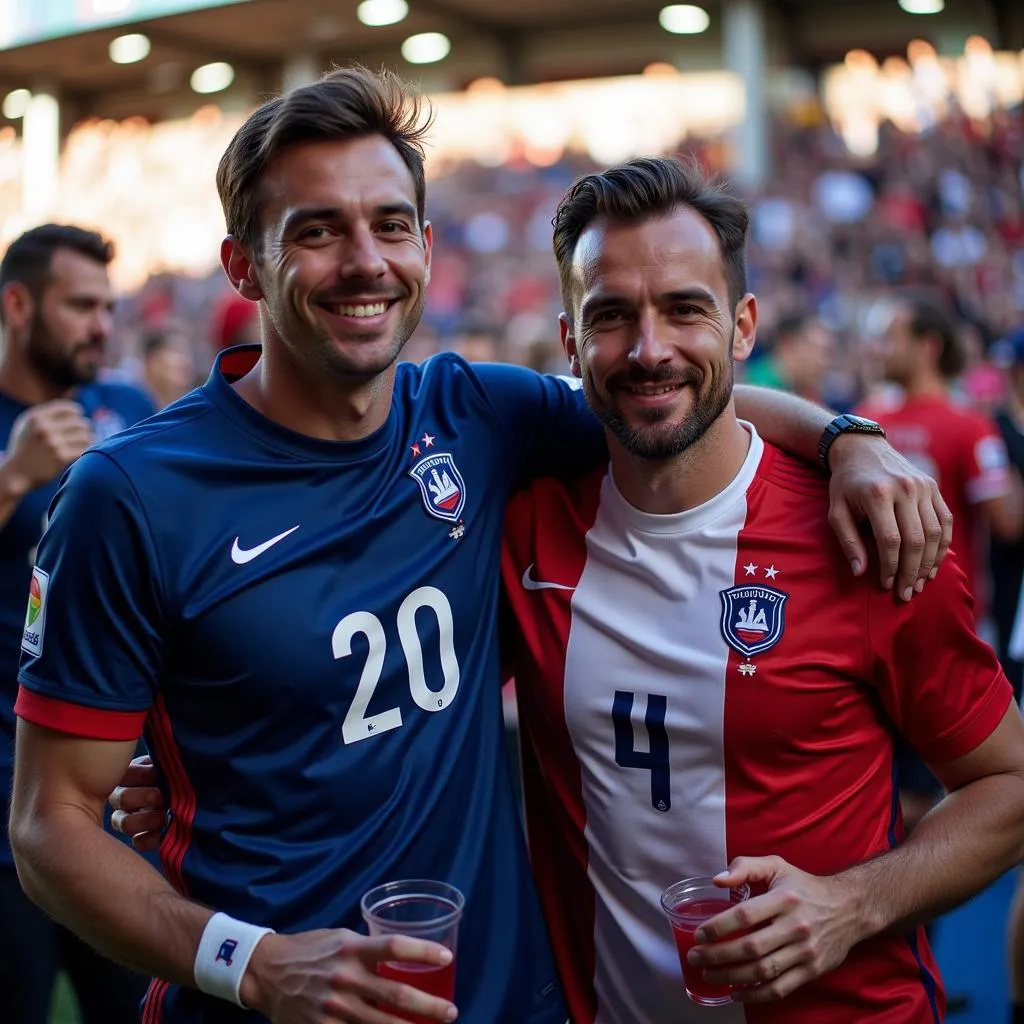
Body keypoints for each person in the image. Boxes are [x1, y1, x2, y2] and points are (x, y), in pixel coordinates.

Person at [10, 68, 948, 1024]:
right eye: (317, 231)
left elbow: (666, 390)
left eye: (389, 224)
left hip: (503, 998)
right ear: (244, 265)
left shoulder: (475, 414)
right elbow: (49, 828)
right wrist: (252, 964)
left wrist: (845, 440)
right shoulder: (130, 495)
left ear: (424, 243)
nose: (364, 261)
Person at [496, 156, 1024, 1023]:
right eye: (612, 315)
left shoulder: (864, 531)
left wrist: (854, 903)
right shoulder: (524, 524)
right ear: (569, 340)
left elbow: (1008, 785)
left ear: (743, 328)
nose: (649, 347)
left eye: (685, 309)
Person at [0, 223, 155, 1023]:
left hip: (116, 799)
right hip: (7, 801)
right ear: (19, 305)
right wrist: (11, 479)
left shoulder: (127, 407)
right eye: (80, 306)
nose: (102, 325)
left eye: (108, 305)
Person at [743, 311, 833, 404]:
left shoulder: (808, 393)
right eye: (816, 350)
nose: (824, 362)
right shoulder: (757, 388)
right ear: (788, 343)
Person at [140, 325, 197, 410]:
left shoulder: (194, 409)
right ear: (153, 362)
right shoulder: (129, 409)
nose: (186, 361)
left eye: (187, 353)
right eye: (178, 351)